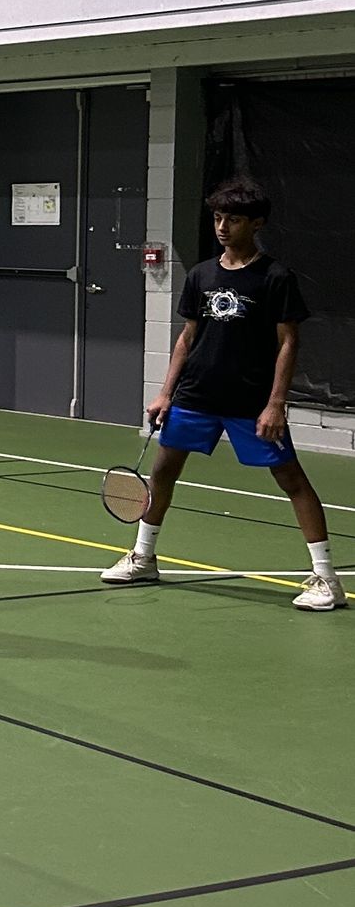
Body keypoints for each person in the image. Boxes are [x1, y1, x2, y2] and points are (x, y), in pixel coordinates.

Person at [103, 181, 342, 610]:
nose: (222, 227)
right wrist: (165, 393)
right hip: (196, 395)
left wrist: (276, 403)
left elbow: (288, 342)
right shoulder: (201, 274)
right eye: (217, 218)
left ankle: (326, 579)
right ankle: (143, 557)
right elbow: (187, 338)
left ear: (257, 223)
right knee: (162, 472)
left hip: (250, 402)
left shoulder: (275, 277)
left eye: (233, 219)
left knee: (292, 480)